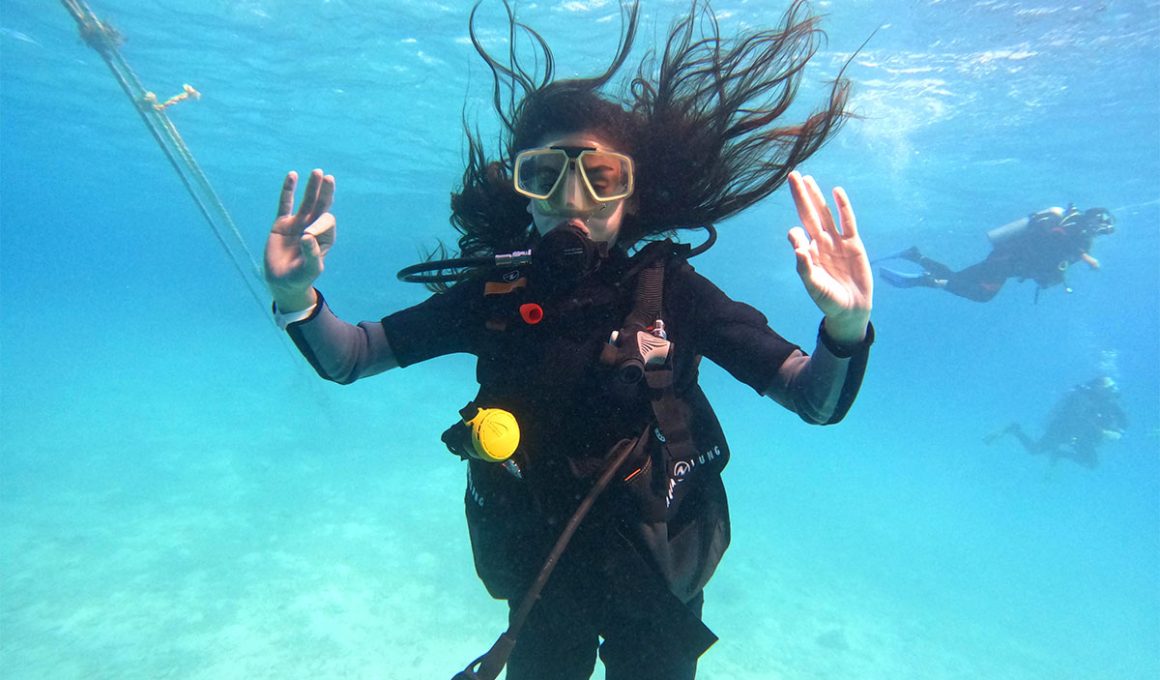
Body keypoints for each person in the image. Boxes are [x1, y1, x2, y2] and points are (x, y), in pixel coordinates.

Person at [263, 2, 873, 678]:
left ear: (628, 193)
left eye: (600, 176)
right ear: (521, 188)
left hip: (655, 579)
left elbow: (812, 398)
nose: (572, 198)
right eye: (545, 175)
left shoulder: (674, 292)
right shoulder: (495, 297)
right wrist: (297, 299)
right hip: (541, 579)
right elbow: (351, 355)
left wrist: (844, 330)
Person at [877, 204, 1116, 302]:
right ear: (1091, 220)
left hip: (1009, 262)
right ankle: (925, 281)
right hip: (1007, 259)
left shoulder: (1081, 241)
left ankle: (915, 256)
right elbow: (1048, 238)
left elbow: (1052, 267)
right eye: (1098, 227)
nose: (1096, 233)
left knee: (958, 278)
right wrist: (1082, 254)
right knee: (982, 295)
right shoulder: (1071, 229)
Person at [985, 377, 1128, 469]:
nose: (1113, 391)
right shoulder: (1080, 397)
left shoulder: (1109, 402)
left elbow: (1124, 420)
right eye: (1109, 388)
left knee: (1091, 464)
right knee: (1034, 450)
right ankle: (1014, 429)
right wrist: (1102, 432)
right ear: (1098, 388)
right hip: (1062, 429)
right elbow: (1076, 417)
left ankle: (1059, 454)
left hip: (1082, 436)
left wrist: (1119, 432)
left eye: (1113, 387)